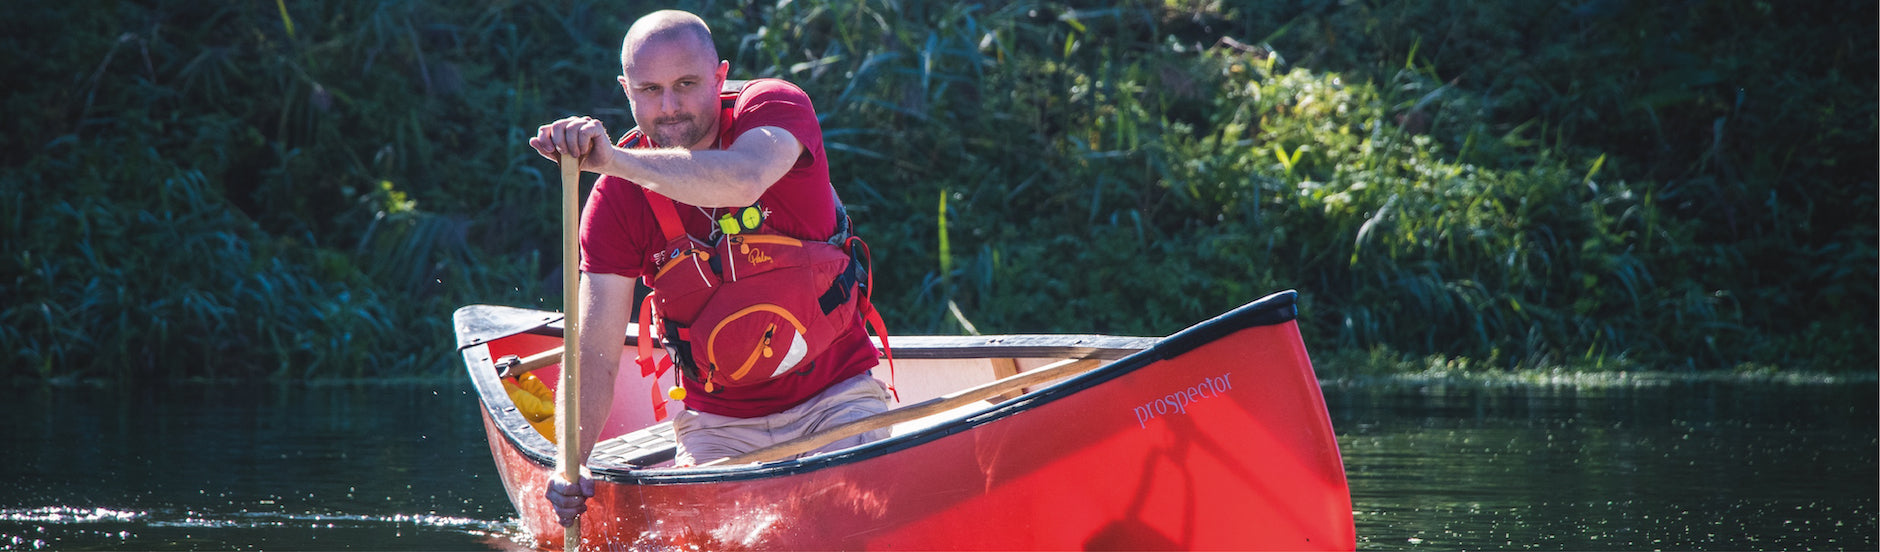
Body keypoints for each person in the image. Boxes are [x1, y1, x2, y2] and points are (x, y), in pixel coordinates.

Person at [527, 10, 891, 527]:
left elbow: (743, 179)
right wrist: (571, 461)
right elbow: (595, 353)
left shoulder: (775, 110)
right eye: (649, 89)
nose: (668, 107)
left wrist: (614, 161)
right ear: (625, 90)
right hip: (719, 425)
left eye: (686, 84)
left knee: (856, 518)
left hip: (836, 400)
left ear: (720, 77)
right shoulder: (614, 204)